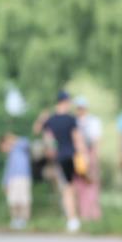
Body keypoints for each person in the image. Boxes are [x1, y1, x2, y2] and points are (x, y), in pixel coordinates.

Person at [36, 91, 87, 232]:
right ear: (66, 102)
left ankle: (72, 218)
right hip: (73, 156)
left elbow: (41, 133)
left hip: (60, 157)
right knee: (71, 188)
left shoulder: (51, 120)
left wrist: (42, 118)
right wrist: (85, 155)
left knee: (66, 188)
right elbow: (78, 139)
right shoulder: (71, 119)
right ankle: (74, 219)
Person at [73, 96, 102, 221]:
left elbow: (95, 142)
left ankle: (94, 214)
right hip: (77, 157)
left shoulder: (93, 121)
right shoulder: (74, 122)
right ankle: (83, 214)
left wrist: (93, 158)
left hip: (90, 154)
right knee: (79, 186)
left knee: (92, 185)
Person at [0, 133, 32, 230]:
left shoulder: (20, 149)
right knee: (13, 201)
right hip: (12, 180)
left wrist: (13, 138)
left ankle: (24, 220)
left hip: (23, 177)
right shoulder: (10, 155)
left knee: (24, 200)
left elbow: (26, 143)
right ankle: (15, 219)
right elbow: (8, 170)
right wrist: (5, 183)